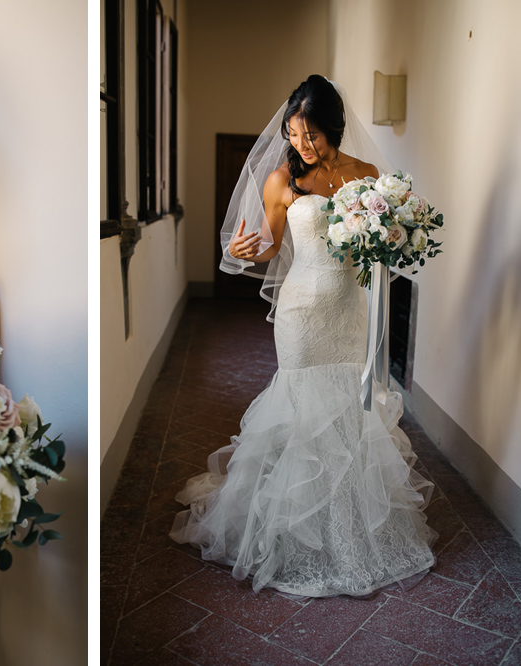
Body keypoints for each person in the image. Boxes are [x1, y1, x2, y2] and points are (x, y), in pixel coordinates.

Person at [170, 76, 436, 597]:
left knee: (348, 409)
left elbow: (371, 249)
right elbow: (270, 246)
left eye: (310, 135)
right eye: (293, 134)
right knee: (299, 406)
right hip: (300, 312)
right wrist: (249, 252)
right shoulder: (281, 180)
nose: (301, 145)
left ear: (333, 128)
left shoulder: (367, 178)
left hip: (347, 309)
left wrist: (391, 242)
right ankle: (290, 531)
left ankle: (351, 527)